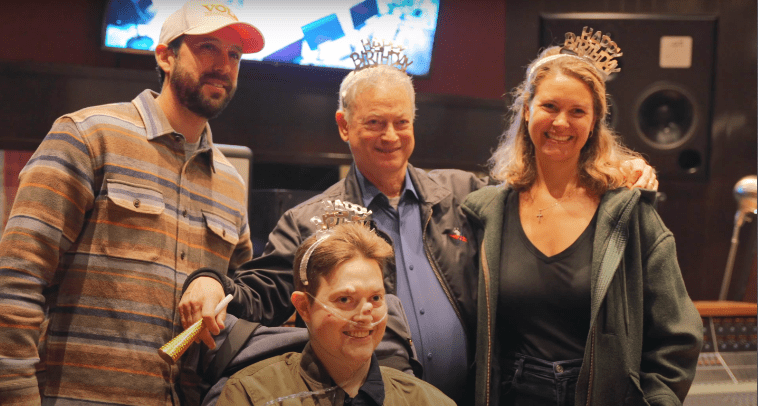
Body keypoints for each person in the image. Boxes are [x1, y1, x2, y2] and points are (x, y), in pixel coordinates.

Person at [179, 59, 658, 404]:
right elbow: (266, 287)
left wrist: (620, 166)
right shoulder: (311, 219)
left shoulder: (465, 195)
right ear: (344, 127)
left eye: (401, 122)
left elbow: (545, 186)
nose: (390, 136)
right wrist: (212, 281)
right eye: (374, 123)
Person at [0, 2, 263, 405]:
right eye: (208, 48)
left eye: (234, 55)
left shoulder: (229, 181)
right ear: (165, 56)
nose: (224, 66)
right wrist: (17, 397)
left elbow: (242, 299)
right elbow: (17, 279)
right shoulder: (89, 135)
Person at [461, 28, 703, 406]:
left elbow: (679, 336)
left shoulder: (629, 213)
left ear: (594, 123)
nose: (561, 123)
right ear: (527, 110)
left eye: (578, 111)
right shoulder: (488, 212)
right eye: (550, 107)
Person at [216, 221, 455, 405]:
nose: (365, 314)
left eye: (375, 298)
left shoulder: (428, 400)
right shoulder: (250, 395)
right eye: (344, 299)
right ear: (304, 307)